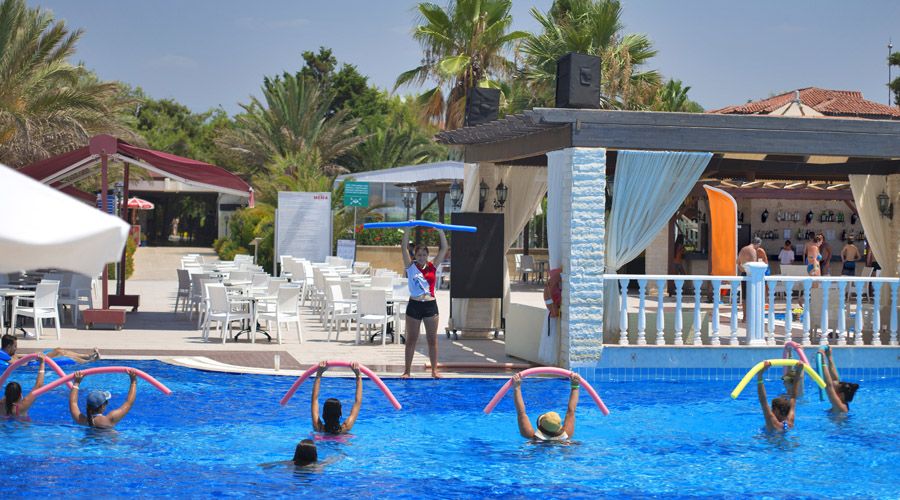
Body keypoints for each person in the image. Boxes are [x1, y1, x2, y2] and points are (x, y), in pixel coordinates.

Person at [400, 225, 448, 378]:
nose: (421, 257)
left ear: (427, 255)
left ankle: (434, 370)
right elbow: (403, 248)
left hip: (430, 306)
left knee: (432, 339)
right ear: (415, 255)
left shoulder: (433, 267)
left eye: (423, 255)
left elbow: (444, 248)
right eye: (418, 254)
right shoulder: (410, 266)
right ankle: (407, 371)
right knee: (411, 339)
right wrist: (407, 228)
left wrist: (440, 231)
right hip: (414, 306)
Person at [512, 372, 579, 442]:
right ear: (559, 427)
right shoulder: (568, 435)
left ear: (540, 424)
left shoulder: (530, 436)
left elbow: (521, 412)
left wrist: (517, 387)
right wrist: (575, 386)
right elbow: (571, 410)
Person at [68, 369, 138, 429]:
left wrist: (76, 383)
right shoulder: (110, 419)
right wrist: (133, 381)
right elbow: (129, 403)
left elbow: (73, 403)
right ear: (102, 406)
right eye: (106, 402)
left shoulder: (82, 420)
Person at [311, 361, 362, 435]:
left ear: (323, 414)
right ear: (340, 413)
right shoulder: (346, 427)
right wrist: (358, 375)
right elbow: (358, 402)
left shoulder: (318, 428)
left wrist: (319, 374)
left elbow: (314, 400)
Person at [0, 334, 100, 366]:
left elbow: (19, 357)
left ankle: (88, 356)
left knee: (58, 349)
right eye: (15, 346)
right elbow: (19, 364)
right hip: (34, 362)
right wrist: (33, 357)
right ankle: (88, 361)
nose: (16, 348)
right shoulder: (3, 355)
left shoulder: (9, 353)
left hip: (33, 359)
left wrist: (32, 354)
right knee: (63, 356)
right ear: (8, 346)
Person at [757, 361, 800, 432]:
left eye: (772, 408)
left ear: (776, 411)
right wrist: (798, 371)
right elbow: (793, 397)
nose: (771, 410)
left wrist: (760, 375)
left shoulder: (773, 423)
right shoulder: (790, 422)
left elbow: (763, 400)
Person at [0, 354, 46, 419]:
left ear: (5, 394)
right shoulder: (23, 405)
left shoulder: (1, 405)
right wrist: (42, 363)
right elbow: (38, 385)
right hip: (21, 427)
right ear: (20, 395)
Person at [819, 347, 858, 414]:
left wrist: (822, 361)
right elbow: (835, 379)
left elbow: (829, 386)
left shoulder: (841, 407)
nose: (833, 383)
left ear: (840, 395)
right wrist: (829, 356)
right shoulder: (841, 403)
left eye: (835, 388)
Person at [737, 238, 762, 320]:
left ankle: (745, 316)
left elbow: (738, 263)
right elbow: (754, 266)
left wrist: (743, 270)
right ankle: (751, 316)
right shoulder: (753, 250)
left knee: (744, 297)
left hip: (744, 274)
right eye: (759, 246)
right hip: (751, 275)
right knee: (752, 296)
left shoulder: (743, 249)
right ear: (757, 244)